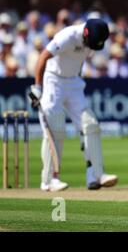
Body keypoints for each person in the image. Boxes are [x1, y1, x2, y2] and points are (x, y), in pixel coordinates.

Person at [29, 19, 118, 191]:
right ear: (85, 34)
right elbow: (43, 57)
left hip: (74, 83)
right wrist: (37, 87)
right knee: (56, 128)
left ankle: (96, 175)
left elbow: (78, 60)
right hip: (53, 80)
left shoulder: (93, 38)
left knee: (90, 125)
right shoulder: (68, 36)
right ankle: (49, 180)